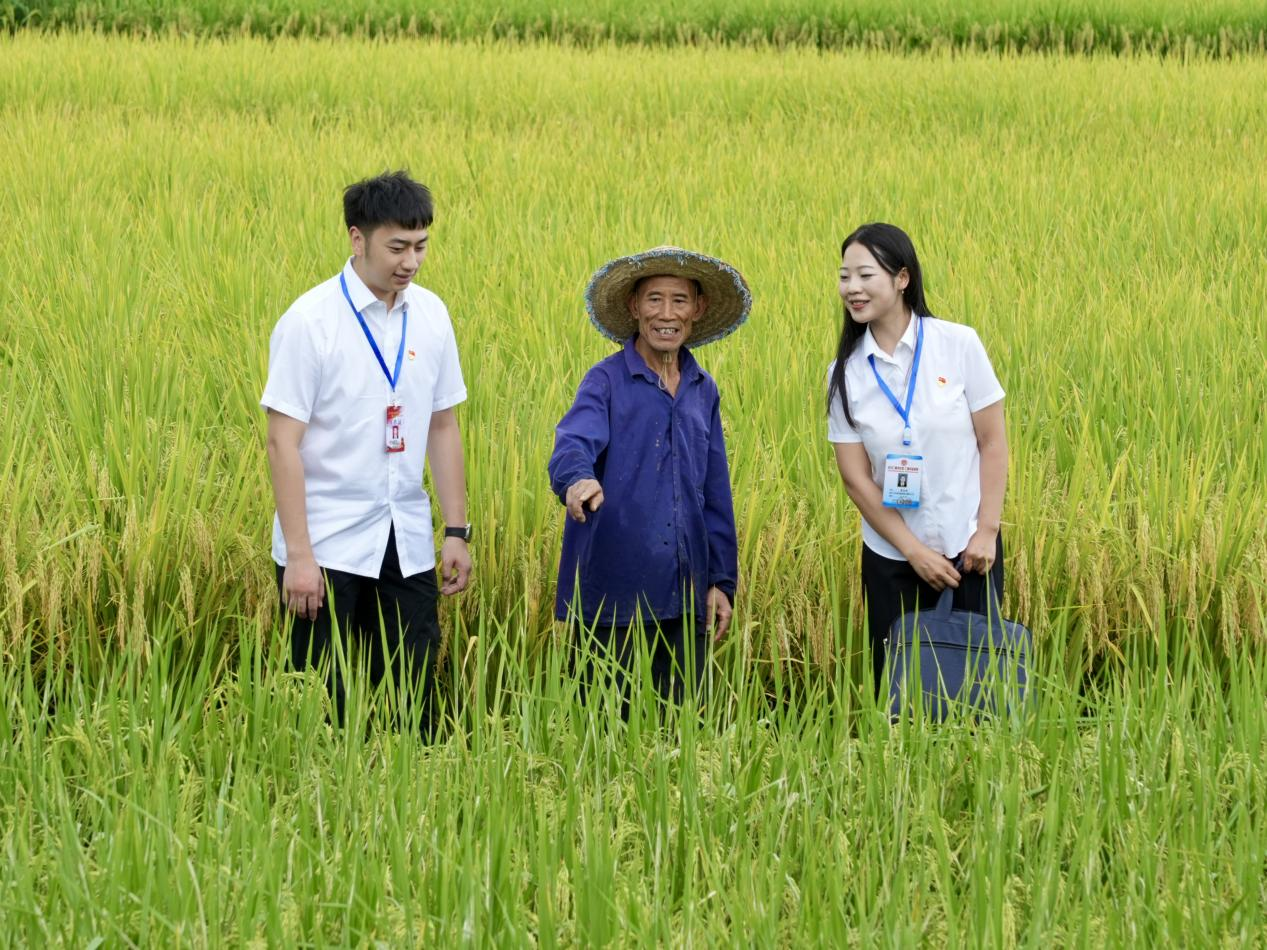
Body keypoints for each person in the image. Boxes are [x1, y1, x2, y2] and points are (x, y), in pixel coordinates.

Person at [261, 170, 472, 729]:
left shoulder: (431, 315)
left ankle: (411, 806)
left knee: (414, 702)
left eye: (421, 246)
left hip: (403, 537)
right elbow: (282, 443)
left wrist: (455, 530)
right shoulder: (310, 322)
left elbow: (443, 425)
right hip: (325, 544)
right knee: (318, 706)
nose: (411, 261)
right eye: (397, 246)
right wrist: (300, 557)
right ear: (358, 239)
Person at [548, 246, 748, 707]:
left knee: (684, 732)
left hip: (685, 592)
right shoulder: (605, 381)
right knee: (604, 731)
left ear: (697, 310)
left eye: (679, 300)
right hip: (614, 592)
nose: (666, 314)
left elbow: (715, 493)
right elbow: (573, 441)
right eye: (654, 299)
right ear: (634, 307)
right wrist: (577, 479)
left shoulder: (703, 388)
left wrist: (721, 580)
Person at [826, 223, 1008, 692]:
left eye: (865, 275)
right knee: (901, 694)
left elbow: (992, 442)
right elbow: (855, 478)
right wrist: (913, 551)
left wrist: (986, 532)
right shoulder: (844, 373)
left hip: (970, 553)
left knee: (977, 691)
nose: (853, 288)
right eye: (846, 276)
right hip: (891, 557)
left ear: (902, 278)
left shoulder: (958, 344)